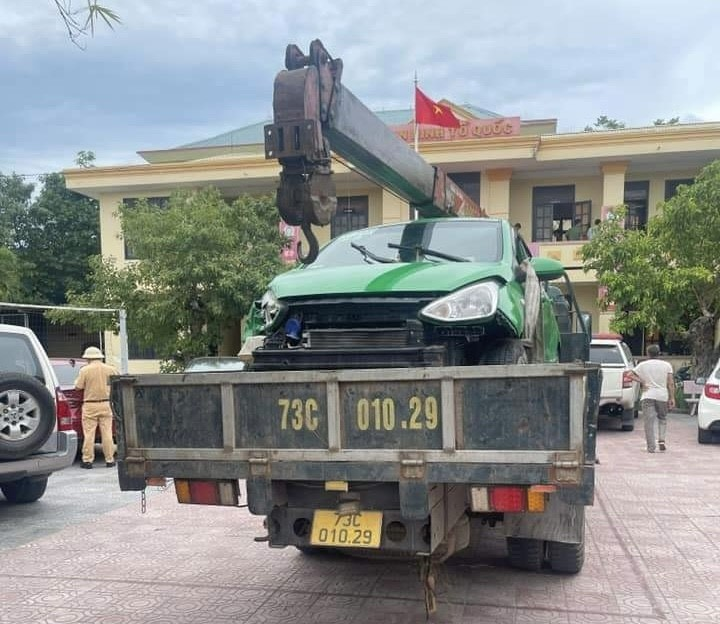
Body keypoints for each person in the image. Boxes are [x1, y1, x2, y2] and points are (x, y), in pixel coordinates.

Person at [74, 346, 119, 468]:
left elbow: (78, 386)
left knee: (89, 434)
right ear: (100, 357)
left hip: (90, 404)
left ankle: (87, 461)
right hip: (107, 404)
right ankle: (110, 460)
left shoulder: (85, 370)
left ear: (88, 358)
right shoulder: (111, 369)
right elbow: (117, 385)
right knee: (107, 433)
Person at [630, 344, 675, 453]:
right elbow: (670, 383)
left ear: (647, 353)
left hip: (648, 395)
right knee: (662, 418)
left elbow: (629, 375)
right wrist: (672, 397)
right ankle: (662, 440)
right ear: (659, 353)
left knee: (648, 422)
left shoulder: (642, 365)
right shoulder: (667, 365)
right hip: (662, 396)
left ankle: (651, 447)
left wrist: (642, 382)